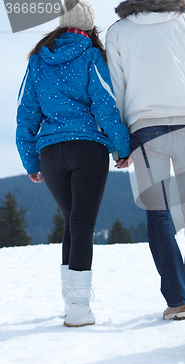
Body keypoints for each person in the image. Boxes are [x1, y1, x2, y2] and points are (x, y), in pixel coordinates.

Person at [106, 0, 185, 320]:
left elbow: (115, 91)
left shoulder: (118, 32)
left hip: (144, 130)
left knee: (158, 216)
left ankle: (177, 300)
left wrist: (120, 145)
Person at [16, 0, 131, 327]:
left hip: (50, 154)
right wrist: (122, 147)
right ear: (89, 25)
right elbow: (106, 106)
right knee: (81, 224)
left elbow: (26, 113)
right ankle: (79, 308)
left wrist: (29, 159)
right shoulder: (92, 56)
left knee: (71, 221)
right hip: (87, 150)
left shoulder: (38, 59)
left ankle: (71, 301)